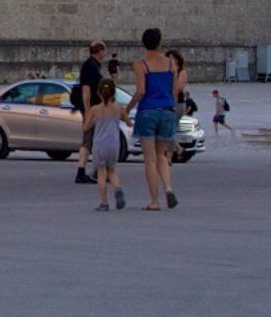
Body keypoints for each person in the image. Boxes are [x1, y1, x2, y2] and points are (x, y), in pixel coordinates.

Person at [132, 28, 189, 211]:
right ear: (159, 43)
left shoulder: (141, 64)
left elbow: (141, 91)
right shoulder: (171, 64)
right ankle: (168, 188)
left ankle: (154, 201)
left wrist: (128, 108)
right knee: (161, 155)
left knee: (149, 160)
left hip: (148, 111)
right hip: (167, 111)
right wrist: (171, 107)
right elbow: (174, 91)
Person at [83, 66, 127, 212]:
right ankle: (118, 188)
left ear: (98, 93)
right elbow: (128, 122)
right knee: (112, 171)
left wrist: (92, 120)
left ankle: (104, 202)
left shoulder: (95, 109)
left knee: (101, 174)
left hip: (99, 144)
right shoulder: (119, 108)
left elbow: (86, 127)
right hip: (114, 144)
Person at [73, 40, 113, 184]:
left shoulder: (93, 66)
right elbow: (86, 91)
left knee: (96, 140)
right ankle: (82, 172)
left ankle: (97, 170)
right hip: (92, 110)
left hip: (96, 110)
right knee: (88, 141)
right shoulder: (90, 67)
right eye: (104, 50)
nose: (105, 53)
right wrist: (88, 111)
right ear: (99, 51)